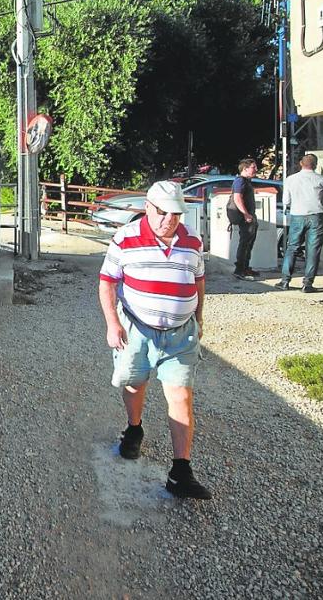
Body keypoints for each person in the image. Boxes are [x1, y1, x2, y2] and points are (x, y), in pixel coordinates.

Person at [98, 180, 212, 500]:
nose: (169, 220)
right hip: (137, 330)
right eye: (162, 212)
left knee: (180, 397)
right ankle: (134, 428)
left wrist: (199, 317)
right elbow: (107, 282)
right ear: (148, 207)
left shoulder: (191, 241)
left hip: (180, 335)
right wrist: (112, 324)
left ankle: (180, 472)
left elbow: (198, 280)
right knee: (134, 385)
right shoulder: (125, 238)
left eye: (175, 214)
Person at [276, 153, 323, 293]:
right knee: (313, 250)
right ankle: (307, 284)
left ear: (301, 163)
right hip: (316, 216)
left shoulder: (290, 179)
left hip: (297, 215)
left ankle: (285, 281)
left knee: (292, 247)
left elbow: (286, 201)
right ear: (316, 165)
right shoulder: (322, 179)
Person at [226, 158, 259, 281]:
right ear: (245, 169)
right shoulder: (240, 181)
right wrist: (246, 214)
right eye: (253, 167)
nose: (256, 169)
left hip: (249, 216)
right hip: (246, 218)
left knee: (249, 243)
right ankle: (239, 270)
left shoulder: (246, 181)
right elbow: (237, 198)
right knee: (245, 244)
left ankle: (245, 267)